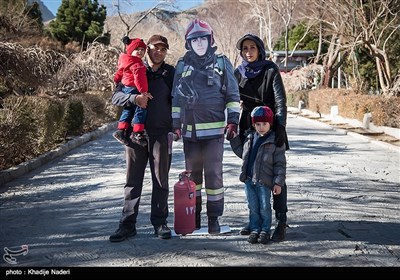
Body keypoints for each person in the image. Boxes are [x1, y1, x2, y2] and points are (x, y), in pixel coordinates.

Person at [171, 19, 240, 234]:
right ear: (188, 43)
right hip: (190, 133)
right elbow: (175, 99)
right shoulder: (182, 65)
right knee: (193, 177)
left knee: (214, 176)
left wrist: (233, 121)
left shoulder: (221, 62)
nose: (199, 43)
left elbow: (232, 94)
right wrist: (175, 125)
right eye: (194, 40)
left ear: (210, 40)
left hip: (214, 134)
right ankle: (195, 218)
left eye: (203, 38)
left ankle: (213, 219)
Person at [109, 34, 175, 242]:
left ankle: (160, 223)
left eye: (163, 49)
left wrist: (179, 126)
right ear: (147, 49)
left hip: (161, 134)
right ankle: (127, 225)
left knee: (160, 179)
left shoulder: (170, 73)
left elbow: (180, 99)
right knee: (133, 181)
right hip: (135, 137)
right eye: (155, 48)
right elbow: (116, 97)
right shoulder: (134, 65)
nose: (159, 52)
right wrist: (134, 98)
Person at [234, 33, 289, 241]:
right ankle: (255, 220)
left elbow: (280, 100)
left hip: (270, 126)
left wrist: (280, 126)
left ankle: (281, 220)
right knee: (252, 175)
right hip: (249, 127)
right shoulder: (238, 72)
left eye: (252, 48)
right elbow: (230, 97)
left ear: (259, 49)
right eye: (245, 48)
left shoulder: (270, 69)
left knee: (274, 171)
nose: (249, 52)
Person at [237, 106, 286, 244]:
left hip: (264, 181)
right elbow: (243, 155)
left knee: (264, 207)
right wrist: (234, 139)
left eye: (264, 124)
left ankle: (265, 230)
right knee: (253, 206)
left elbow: (280, 164)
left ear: (270, 124)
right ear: (254, 124)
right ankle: (254, 229)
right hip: (249, 180)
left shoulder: (275, 141)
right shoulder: (249, 138)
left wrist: (278, 183)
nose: (261, 127)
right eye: (258, 124)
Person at [113, 36, 152, 147]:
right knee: (141, 108)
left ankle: (121, 130)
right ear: (131, 50)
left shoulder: (125, 61)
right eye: (137, 49)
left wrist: (116, 80)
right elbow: (139, 79)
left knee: (128, 108)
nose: (140, 52)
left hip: (126, 88)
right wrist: (143, 92)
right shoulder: (137, 64)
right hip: (134, 88)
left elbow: (119, 73)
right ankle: (137, 132)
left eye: (142, 50)